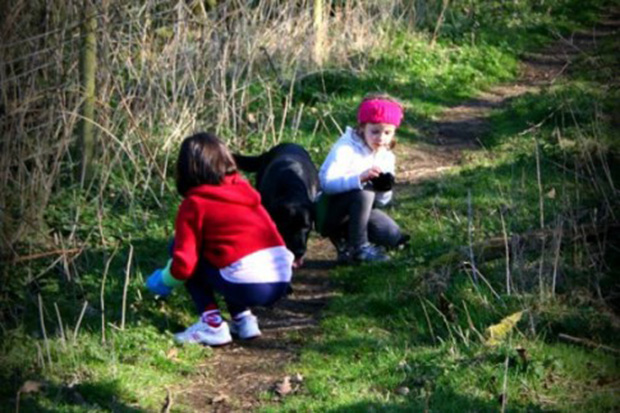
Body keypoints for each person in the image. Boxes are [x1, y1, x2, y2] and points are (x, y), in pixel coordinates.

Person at [146, 132, 294, 346]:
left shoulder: (195, 204)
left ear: (186, 169)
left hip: (248, 283)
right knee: (228, 254)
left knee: (183, 250)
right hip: (280, 278)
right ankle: (243, 319)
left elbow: (184, 265)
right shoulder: (244, 191)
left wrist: (164, 280)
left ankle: (212, 324)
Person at [316, 94, 409, 263]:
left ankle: (346, 243)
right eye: (375, 131)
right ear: (362, 128)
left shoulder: (387, 157)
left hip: (359, 212)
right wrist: (359, 179)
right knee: (364, 191)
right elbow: (326, 183)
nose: (381, 138)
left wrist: (384, 189)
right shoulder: (345, 147)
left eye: (387, 132)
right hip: (329, 211)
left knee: (392, 235)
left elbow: (381, 202)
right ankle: (359, 248)